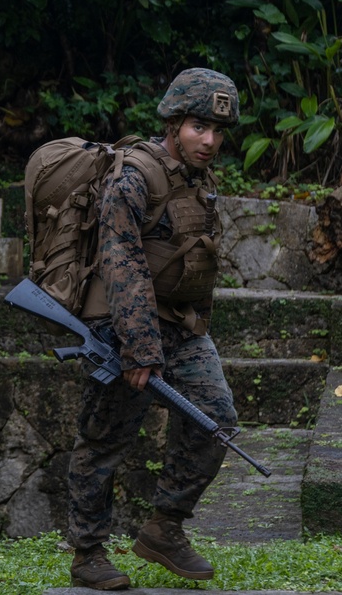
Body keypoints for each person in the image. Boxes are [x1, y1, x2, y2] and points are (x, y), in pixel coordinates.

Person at [67, 68, 240, 589]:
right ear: (173, 123)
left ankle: (164, 528)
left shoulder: (198, 178)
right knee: (104, 441)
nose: (209, 141)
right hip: (125, 332)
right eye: (197, 127)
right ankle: (88, 554)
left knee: (217, 422)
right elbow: (121, 262)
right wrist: (138, 348)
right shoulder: (134, 176)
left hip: (181, 331)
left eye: (217, 130)